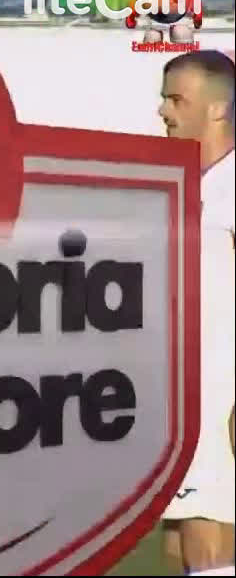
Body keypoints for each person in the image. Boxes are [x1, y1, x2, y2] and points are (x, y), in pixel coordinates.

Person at [158, 49, 236, 576]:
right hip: (185, 400)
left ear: (218, 109)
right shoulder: (187, 183)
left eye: (176, 99)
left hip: (219, 400)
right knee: (178, 547)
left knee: (208, 544)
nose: (163, 111)